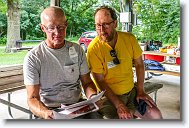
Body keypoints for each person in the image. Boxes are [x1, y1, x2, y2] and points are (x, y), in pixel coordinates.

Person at [23, 6, 101, 119]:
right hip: (50, 109)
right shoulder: (33, 57)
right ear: (42, 28)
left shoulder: (77, 50)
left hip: (78, 106)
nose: (57, 32)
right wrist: (46, 113)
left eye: (61, 27)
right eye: (51, 28)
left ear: (66, 24)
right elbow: (32, 98)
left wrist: (92, 97)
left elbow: (87, 82)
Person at [87, 5, 163, 119]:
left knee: (156, 115)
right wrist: (119, 105)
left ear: (115, 23)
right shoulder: (94, 48)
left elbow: (139, 64)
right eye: (98, 25)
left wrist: (141, 90)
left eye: (106, 25)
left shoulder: (129, 39)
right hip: (108, 98)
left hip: (131, 92)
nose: (101, 30)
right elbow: (100, 81)